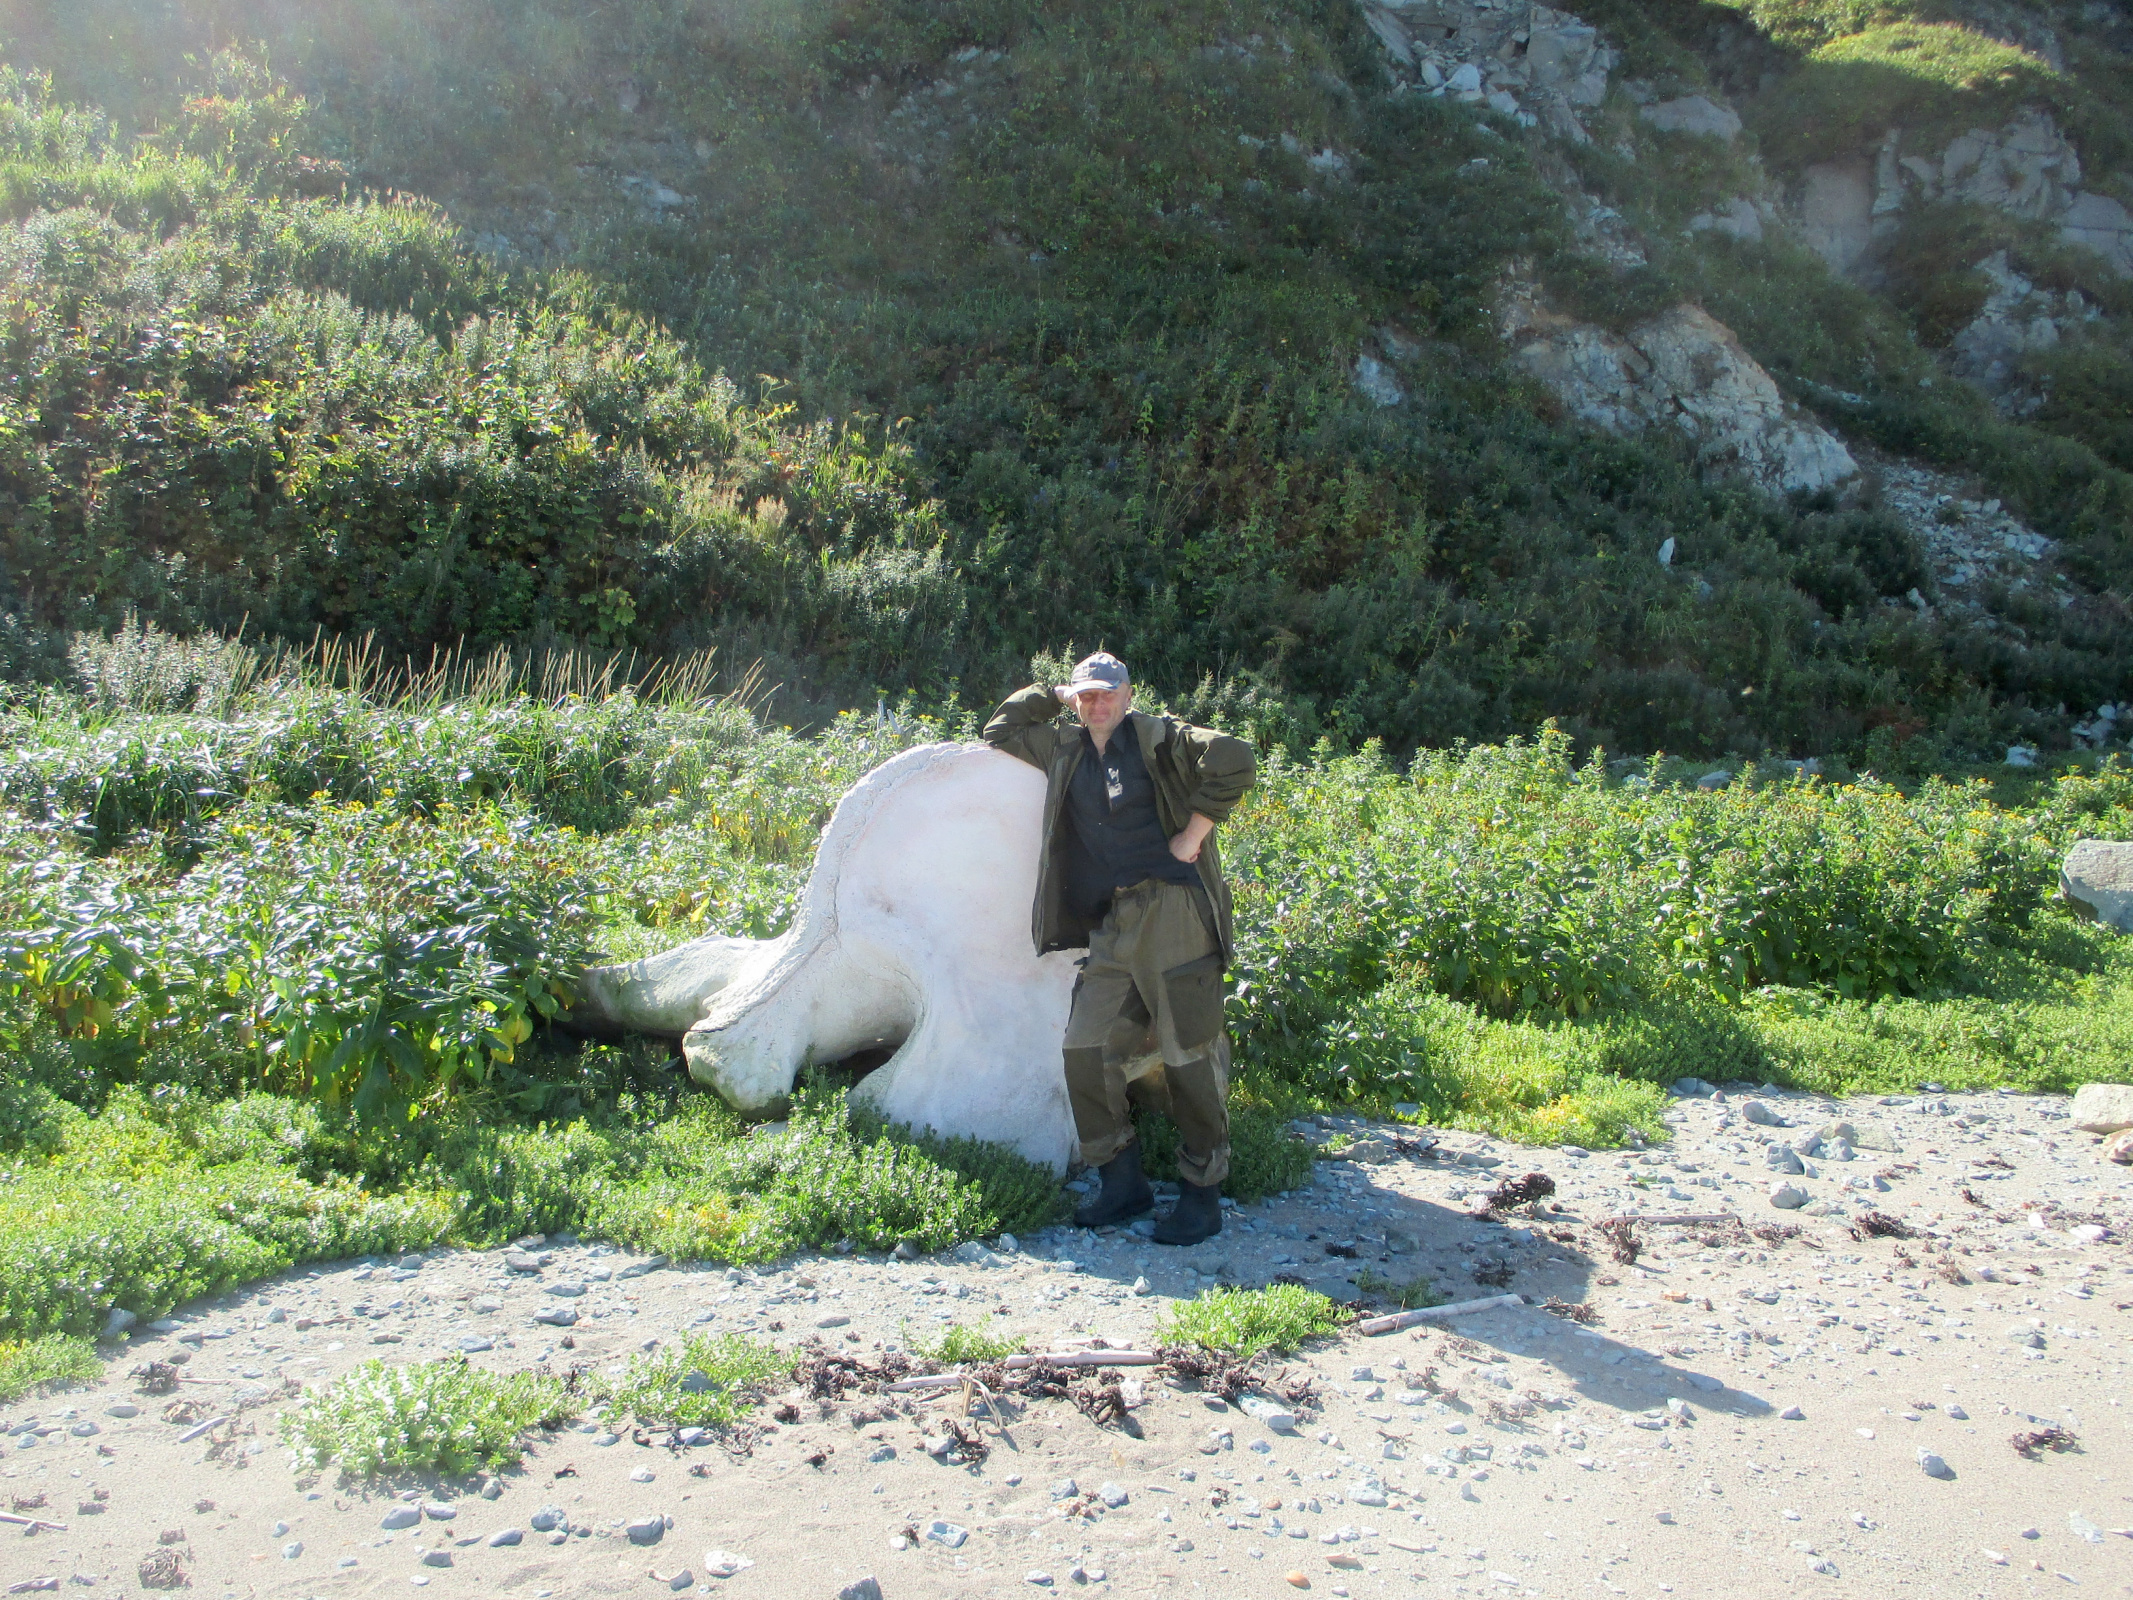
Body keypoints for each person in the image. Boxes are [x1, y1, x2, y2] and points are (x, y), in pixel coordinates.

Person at [983, 652, 1256, 1245]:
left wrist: (1194, 833)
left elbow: (1234, 756)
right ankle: (1122, 1182)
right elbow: (1000, 730)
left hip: (1176, 908)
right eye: (1087, 695)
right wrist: (1056, 693)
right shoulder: (1067, 746)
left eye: (1107, 693)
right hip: (1115, 920)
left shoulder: (1159, 736)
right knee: (1085, 1046)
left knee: (1189, 1052)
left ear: (1129, 694)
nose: (1097, 705)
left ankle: (1201, 1194)